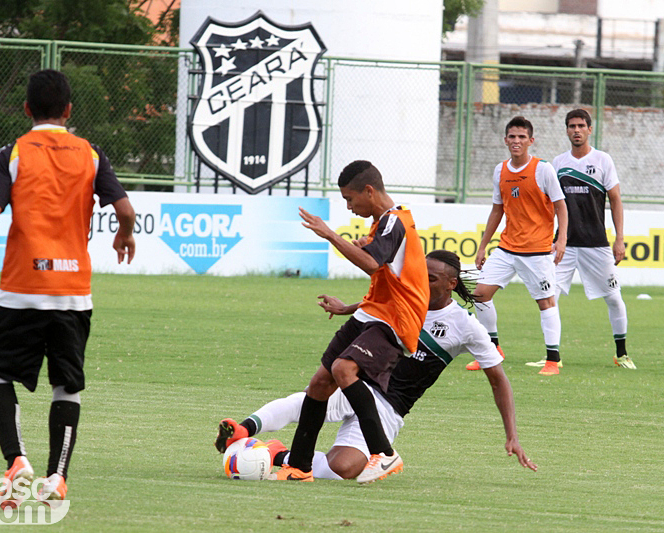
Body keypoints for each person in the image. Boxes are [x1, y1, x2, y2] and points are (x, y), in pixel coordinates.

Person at [0, 69, 136, 506]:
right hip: (72, 292)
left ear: (27, 109)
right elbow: (125, 208)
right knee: (67, 385)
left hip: (20, 289)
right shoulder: (91, 154)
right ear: (68, 110)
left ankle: (16, 459)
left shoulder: (13, 152)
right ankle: (57, 477)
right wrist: (124, 234)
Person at [215, 251, 537, 479]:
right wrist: (346, 309)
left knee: (343, 469)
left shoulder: (465, 326)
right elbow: (376, 303)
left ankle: (274, 453)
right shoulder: (406, 299)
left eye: (432, 279)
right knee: (315, 394)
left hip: (390, 408)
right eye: (420, 276)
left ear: (451, 284)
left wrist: (512, 435)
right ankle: (245, 428)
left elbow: (498, 380)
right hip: (362, 383)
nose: (422, 283)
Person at [218, 160, 429, 483]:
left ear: (369, 191)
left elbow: (372, 264)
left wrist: (331, 234)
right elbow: (386, 276)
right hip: (372, 314)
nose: (349, 206)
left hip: (394, 323)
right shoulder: (383, 223)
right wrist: (348, 309)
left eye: (350, 199)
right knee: (319, 383)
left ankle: (385, 454)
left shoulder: (394, 220)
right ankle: (300, 466)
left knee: (344, 370)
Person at [532, 108, 634, 369]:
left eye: (581, 126)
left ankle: (621, 354)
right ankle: (552, 355)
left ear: (590, 129)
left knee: (613, 297)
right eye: (571, 126)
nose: (576, 130)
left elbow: (615, 200)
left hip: (596, 244)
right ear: (566, 130)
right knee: (548, 297)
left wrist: (619, 238)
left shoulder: (603, 160)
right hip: (563, 244)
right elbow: (548, 204)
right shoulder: (557, 163)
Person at [468, 116, 568, 376]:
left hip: (537, 250)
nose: (516, 141)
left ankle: (552, 360)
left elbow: (561, 206)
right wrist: (482, 247)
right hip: (507, 248)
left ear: (531, 141)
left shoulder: (543, 169)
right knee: (479, 295)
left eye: (522, 137)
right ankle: (492, 349)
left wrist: (562, 239)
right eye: (512, 136)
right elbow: (496, 211)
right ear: (505, 140)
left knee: (546, 302)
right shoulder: (500, 170)